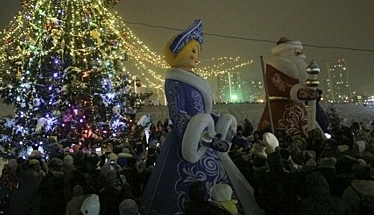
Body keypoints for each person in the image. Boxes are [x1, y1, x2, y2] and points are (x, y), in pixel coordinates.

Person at [139, 19, 261, 215]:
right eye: (193, 51)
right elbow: (178, 114)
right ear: (177, 53)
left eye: (198, 51)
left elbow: (205, 112)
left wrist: (228, 132)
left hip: (203, 139)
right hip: (187, 142)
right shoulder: (175, 82)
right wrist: (208, 139)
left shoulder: (194, 80)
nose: (197, 56)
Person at [257, 37, 329, 137]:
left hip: (299, 108)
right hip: (280, 108)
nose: (300, 55)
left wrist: (311, 93)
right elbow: (281, 86)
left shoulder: (296, 70)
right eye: (296, 52)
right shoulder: (275, 66)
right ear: (286, 52)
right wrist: (301, 93)